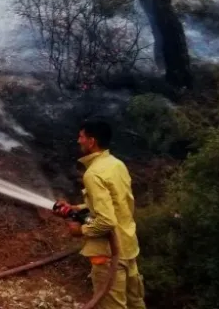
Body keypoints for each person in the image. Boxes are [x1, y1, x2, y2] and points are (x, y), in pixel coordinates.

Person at [55, 120, 146, 309]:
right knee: (135, 303)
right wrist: (77, 208)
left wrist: (80, 230)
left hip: (108, 254)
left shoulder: (93, 174)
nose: (78, 140)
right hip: (128, 247)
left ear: (91, 141)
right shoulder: (116, 165)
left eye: (81, 136)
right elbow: (116, 203)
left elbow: (106, 221)